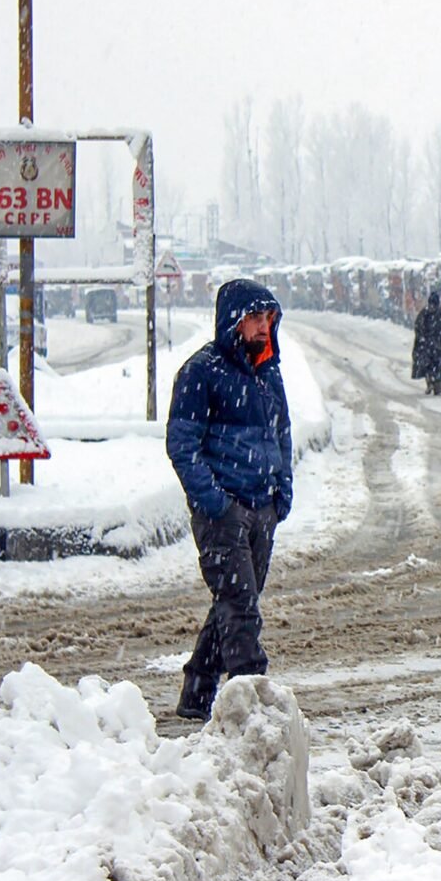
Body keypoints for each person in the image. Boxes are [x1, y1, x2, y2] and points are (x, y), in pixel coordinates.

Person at [166, 279, 293, 722]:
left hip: (263, 508)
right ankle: (253, 708)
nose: (262, 327)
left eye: (267, 318)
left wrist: (282, 492)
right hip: (223, 514)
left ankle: (196, 695)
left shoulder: (268, 371)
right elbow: (182, 446)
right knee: (241, 612)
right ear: (233, 321)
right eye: (254, 318)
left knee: (234, 603)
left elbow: (282, 433)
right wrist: (216, 503)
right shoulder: (201, 372)